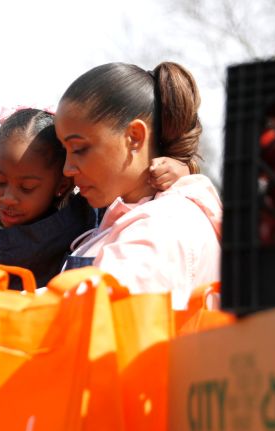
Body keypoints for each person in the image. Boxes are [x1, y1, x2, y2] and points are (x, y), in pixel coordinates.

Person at [0, 107, 188, 301]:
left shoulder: (94, 211)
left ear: (62, 185)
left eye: (27, 187)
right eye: (0, 180)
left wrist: (181, 174)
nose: (7, 197)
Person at [54, 62, 222, 310]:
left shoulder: (161, 228)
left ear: (134, 137)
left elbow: (93, 323)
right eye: (65, 151)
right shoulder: (143, 218)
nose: (67, 169)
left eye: (79, 149)